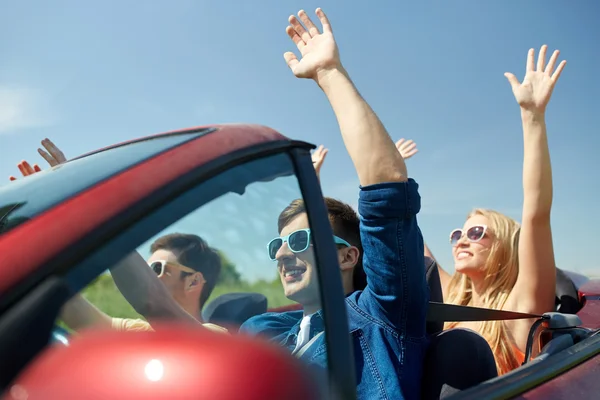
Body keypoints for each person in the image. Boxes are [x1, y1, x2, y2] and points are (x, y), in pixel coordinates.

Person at [240, 9, 428, 400]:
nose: (282, 256)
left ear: (347, 257)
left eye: (298, 242)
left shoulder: (381, 315)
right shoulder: (266, 332)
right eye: (278, 245)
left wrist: (329, 73)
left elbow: (386, 189)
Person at [422, 45, 566, 375]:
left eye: (475, 233)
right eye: (458, 234)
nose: (460, 241)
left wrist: (532, 118)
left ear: (505, 245)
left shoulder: (519, 309)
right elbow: (412, 242)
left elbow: (536, 213)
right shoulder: (454, 299)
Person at [8, 144, 226, 333]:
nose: (147, 275)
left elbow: (152, 300)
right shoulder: (139, 331)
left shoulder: (214, 338)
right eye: (146, 266)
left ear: (194, 281)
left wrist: (84, 203)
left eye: (156, 269)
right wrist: (40, 226)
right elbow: (69, 308)